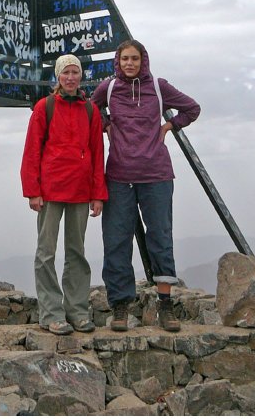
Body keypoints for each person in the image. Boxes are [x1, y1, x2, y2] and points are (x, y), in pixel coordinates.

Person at [92, 39, 200, 332]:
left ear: (144, 60)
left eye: (135, 59)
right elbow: (90, 109)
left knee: (161, 238)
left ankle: (165, 306)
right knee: (116, 241)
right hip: (118, 176)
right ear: (118, 61)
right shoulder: (109, 88)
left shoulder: (159, 87)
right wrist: (105, 124)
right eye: (125, 58)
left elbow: (192, 108)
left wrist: (170, 126)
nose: (129, 63)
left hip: (157, 175)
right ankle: (120, 307)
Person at [20, 54, 108, 335]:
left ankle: (78, 312)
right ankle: (51, 314)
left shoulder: (91, 111)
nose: (71, 77)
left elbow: (97, 153)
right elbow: (32, 151)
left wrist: (98, 194)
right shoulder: (44, 107)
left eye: (75, 72)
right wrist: (33, 191)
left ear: (81, 76)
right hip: (50, 190)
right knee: (46, 253)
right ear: (58, 77)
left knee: (76, 253)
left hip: (81, 191)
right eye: (66, 72)